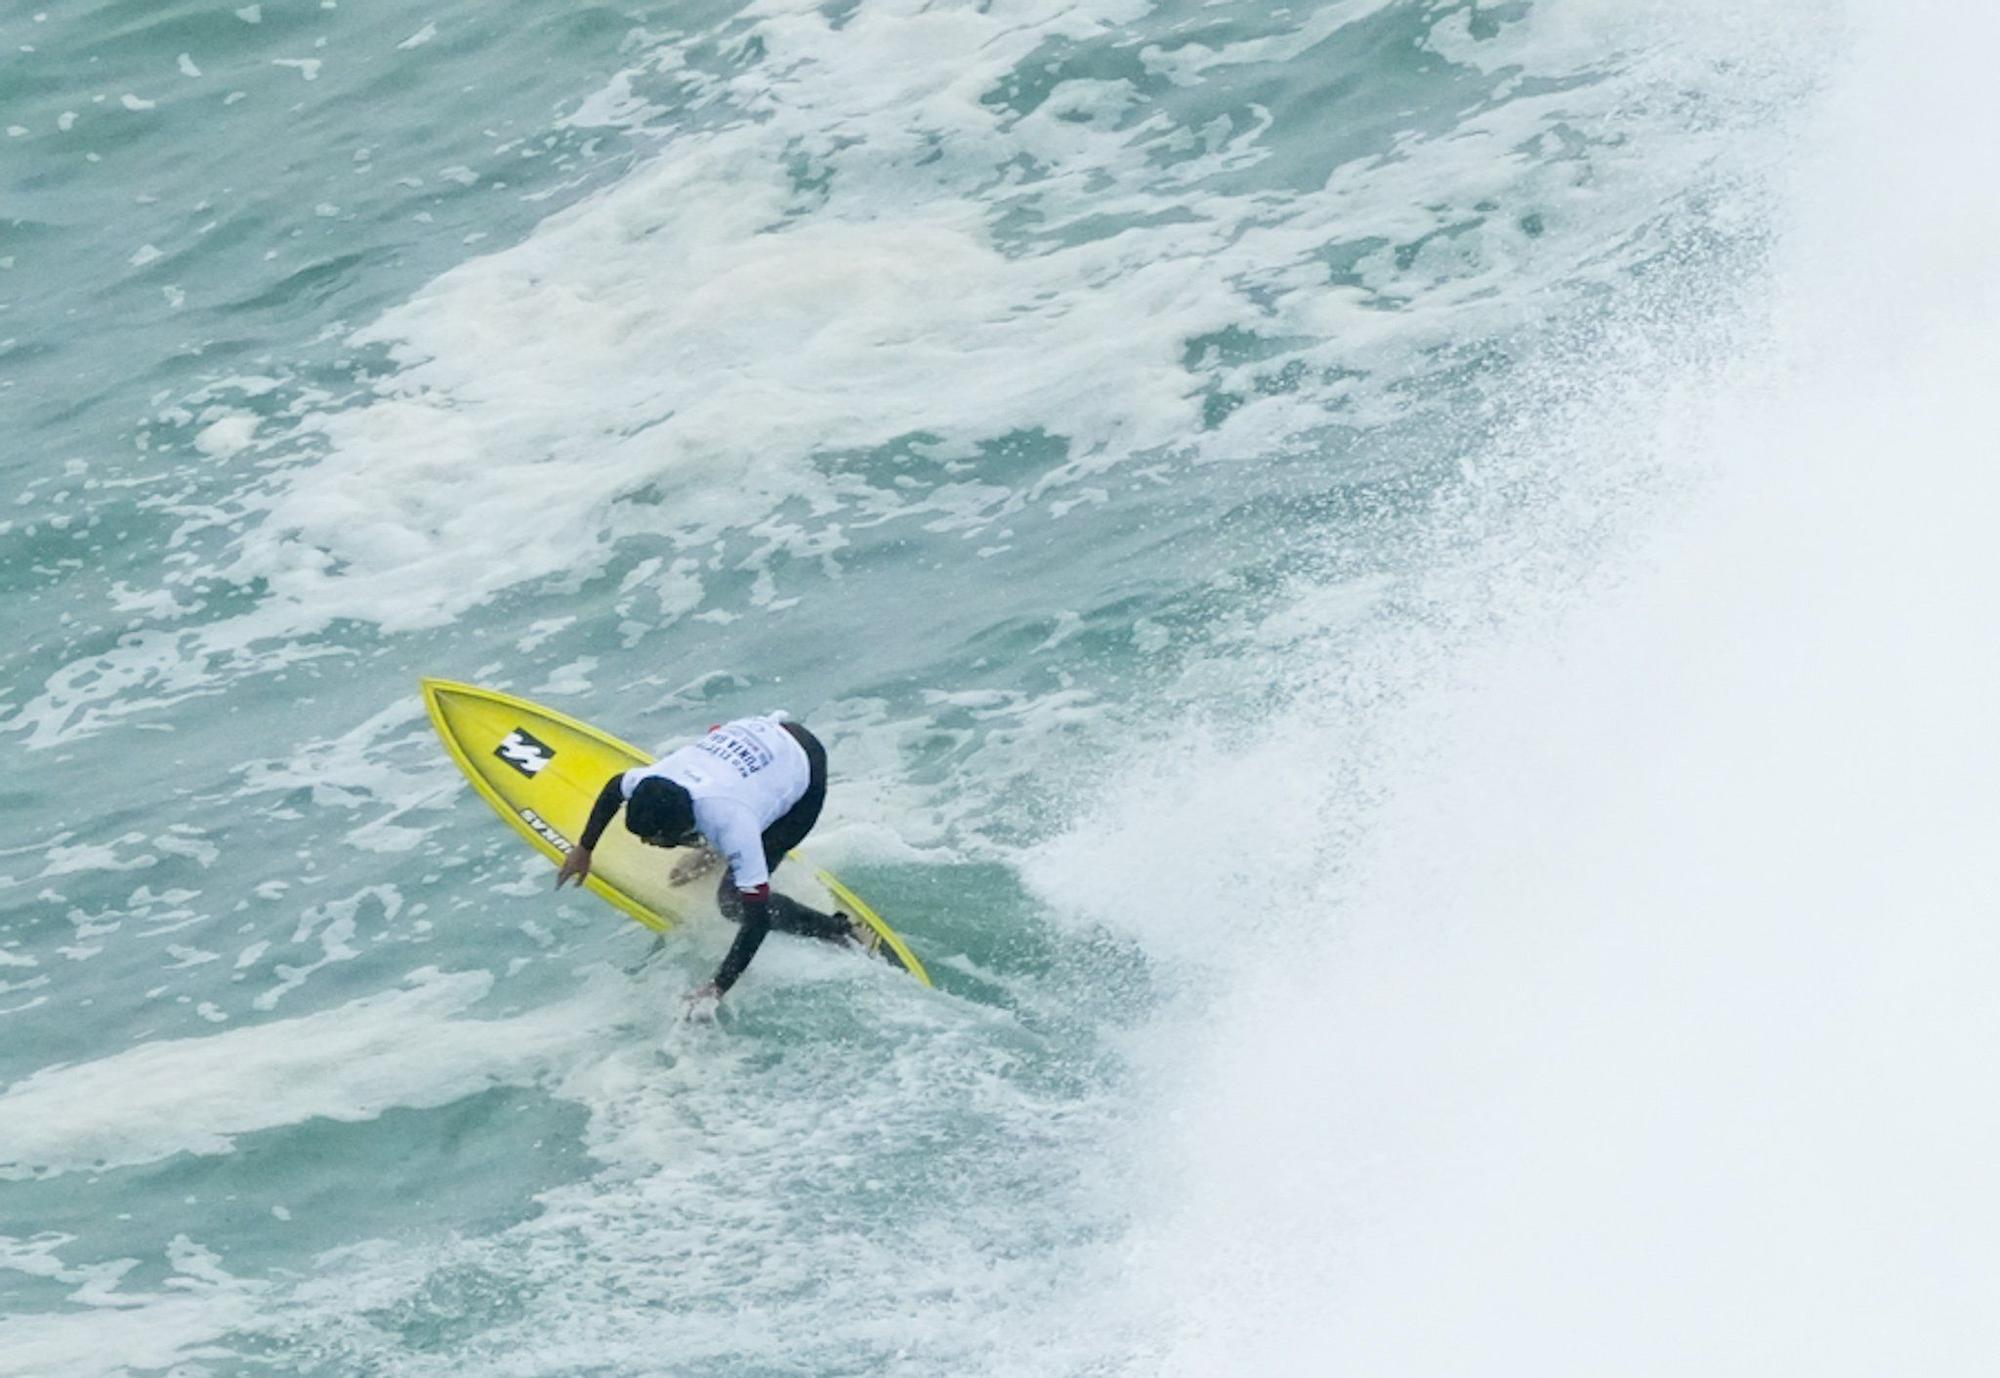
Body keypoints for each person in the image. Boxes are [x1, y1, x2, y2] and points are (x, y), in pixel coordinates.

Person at [554, 711, 855, 1008]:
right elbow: (612, 790)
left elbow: (758, 919)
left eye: (650, 838)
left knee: (732, 902)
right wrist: (584, 849)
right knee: (700, 832)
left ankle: (836, 930)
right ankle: (711, 852)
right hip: (760, 739)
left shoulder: (735, 825)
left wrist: (718, 986)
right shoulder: (650, 780)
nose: (645, 843)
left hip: (805, 770)